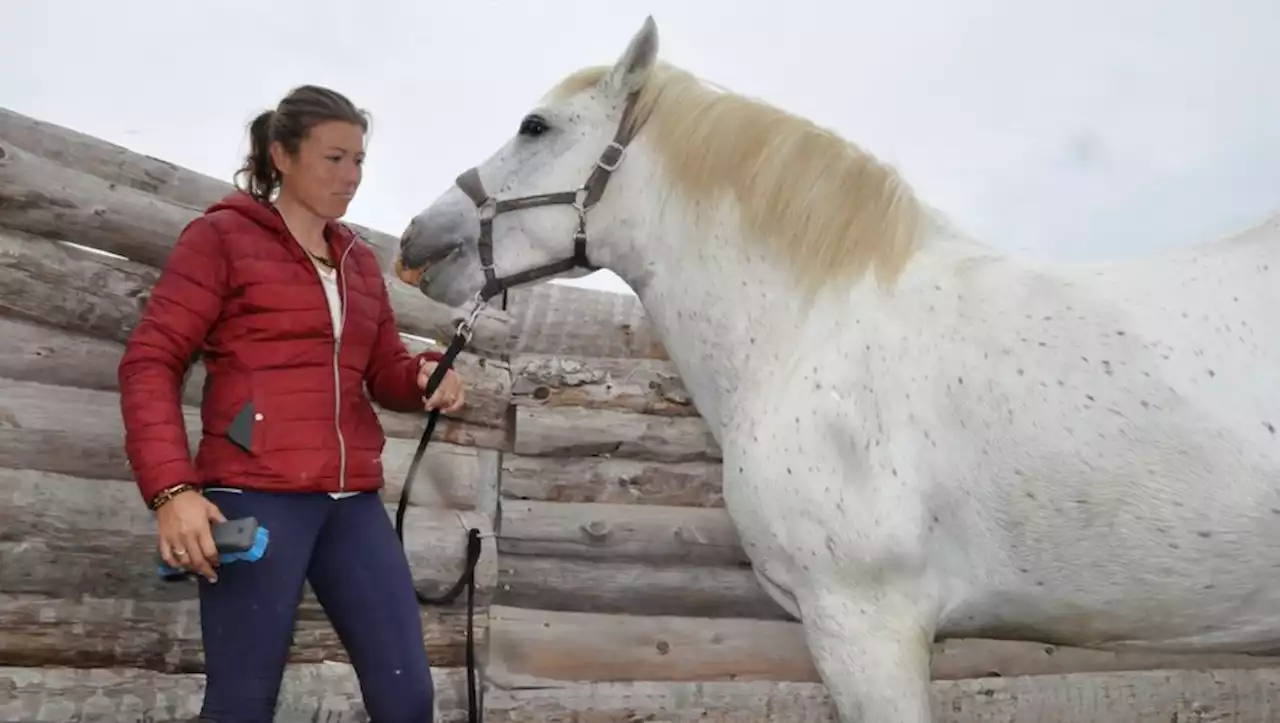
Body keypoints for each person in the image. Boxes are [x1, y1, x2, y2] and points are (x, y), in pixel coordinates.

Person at [117, 84, 465, 723]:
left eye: (359, 159)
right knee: (243, 704)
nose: (352, 175)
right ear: (282, 154)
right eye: (335, 158)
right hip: (256, 493)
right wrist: (172, 492)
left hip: (351, 504)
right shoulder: (221, 238)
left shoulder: (358, 260)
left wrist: (419, 379)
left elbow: (381, 369)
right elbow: (149, 362)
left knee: (407, 697)